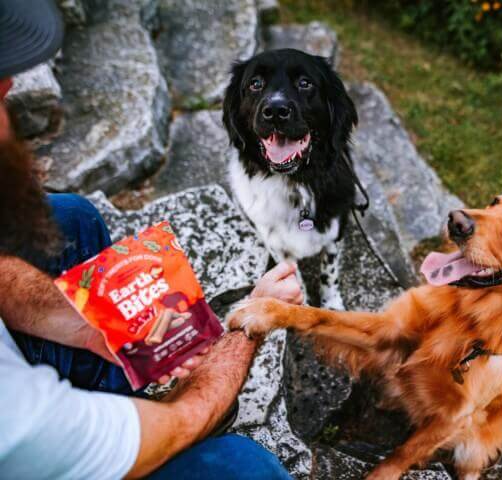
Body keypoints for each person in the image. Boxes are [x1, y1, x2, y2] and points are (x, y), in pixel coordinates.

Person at [0, 0, 302, 478]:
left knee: (71, 219)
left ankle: (114, 384)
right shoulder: (19, 417)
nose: (11, 88)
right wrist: (249, 325)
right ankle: (119, 404)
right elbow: (183, 421)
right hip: (47, 451)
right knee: (246, 468)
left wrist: (82, 324)